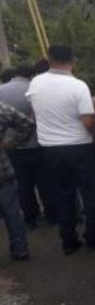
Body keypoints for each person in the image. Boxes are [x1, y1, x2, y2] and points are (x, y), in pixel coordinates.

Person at [27, 45, 95, 255]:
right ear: (73, 60)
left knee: (63, 195)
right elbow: (88, 120)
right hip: (79, 147)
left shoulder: (36, 83)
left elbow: (35, 112)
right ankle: (93, 237)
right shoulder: (78, 86)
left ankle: (68, 240)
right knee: (90, 193)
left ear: (50, 59)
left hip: (50, 150)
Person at [0, 64, 55, 228]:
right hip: (38, 143)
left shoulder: (2, 91)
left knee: (23, 184)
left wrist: (11, 143)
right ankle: (51, 215)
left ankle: (31, 218)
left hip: (12, 147)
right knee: (45, 182)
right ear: (30, 75)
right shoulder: (34, 89)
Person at [0, 101, 35, 260]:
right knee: (12, 212)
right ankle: (20, 249)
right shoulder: (2, 108)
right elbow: (27, 124)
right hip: (2, 169)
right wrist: (11, 144)